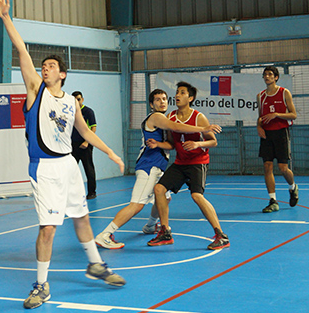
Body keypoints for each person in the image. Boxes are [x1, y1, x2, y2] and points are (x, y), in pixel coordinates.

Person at [0, 0, 126, 310]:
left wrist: (110, 153)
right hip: (44, 168)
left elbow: (85, 132)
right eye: (44, 66)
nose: (45, 68)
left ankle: (95, 264)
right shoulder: (35, 91)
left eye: (51, 66)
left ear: (62, 74)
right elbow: (22, 50)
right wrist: (6, 18)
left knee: (82, 217)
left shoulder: (70, 102)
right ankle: (41, 285)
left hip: (68, 166)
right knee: (48, 228)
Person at [94, 89, 222, 249]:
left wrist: (159, 144)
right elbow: (176, 127)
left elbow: (170, 144)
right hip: (149, 167)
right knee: (136, 204)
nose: (162, 102)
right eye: (157, 100)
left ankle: (150, 226)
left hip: (158, 167)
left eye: (164, 99)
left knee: (163, 197)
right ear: (151, 104)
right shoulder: (157, 117)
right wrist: (203, 129)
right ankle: (105, 234)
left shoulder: (164, 118)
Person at [147, 81, 229, 250]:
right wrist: (158, 144)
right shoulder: (170, 117)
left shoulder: (199, 117)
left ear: (190, 98)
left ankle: (221, 235)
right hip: (180, 163)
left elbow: (213, 142)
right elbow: (171, 144)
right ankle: (165, 232)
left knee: (197, 196)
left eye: (182, 93)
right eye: (177, 92)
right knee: (159, 189)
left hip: (198, 163)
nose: (177, 95)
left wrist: (198, 144)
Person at [257, 65, 298, 213]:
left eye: (270, 74)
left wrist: (277, 115)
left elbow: (293, 115)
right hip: (267, 135)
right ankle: (273, 201)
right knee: (267, 166)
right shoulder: (260, 96)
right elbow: (260, 117)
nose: (267, 76)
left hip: (281, 133)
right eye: (265, 74)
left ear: (276, 77)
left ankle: (293, 187)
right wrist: (259, 126)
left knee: (283, 168)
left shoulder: (284, 93)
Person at [71, 91, 98, 199]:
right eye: (74, 100)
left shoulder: (88, 112)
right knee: (71, 170)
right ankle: (71, 193)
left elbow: (93, 128)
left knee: (88, 169)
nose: (77, 101)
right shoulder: (70, 112)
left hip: (85, 145)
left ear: (82, 99)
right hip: (73, 145)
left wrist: (87, 141)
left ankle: (92, 192)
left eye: (78, 99)